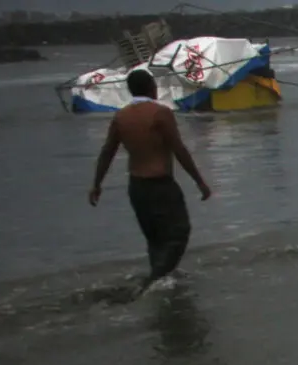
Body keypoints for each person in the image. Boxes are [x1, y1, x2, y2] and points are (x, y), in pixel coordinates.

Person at [89, 68, 213, 286]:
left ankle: (161, 280)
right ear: (151, 88)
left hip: (137, 187)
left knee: (155, 240)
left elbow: (107, 152)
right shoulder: (160, 113)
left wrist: (97, 184)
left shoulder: (121, 116)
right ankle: (154, 281)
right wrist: (199, 181)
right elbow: (179, 149)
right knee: (179, 233)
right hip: (160, 185)